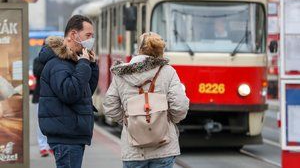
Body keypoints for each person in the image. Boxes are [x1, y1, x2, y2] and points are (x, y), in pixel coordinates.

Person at [104, 32, 189, 168]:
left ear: (139, 49)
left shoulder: (122, 74)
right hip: (163, 149)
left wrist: (127, 121)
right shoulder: (168, 72)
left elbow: (109, 105)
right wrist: (167, 120)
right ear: (160, 50)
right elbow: (180, 106)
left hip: (133, 150)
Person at [38, 15, 99, 168]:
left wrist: (91, 65)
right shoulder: (58, 64)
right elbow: (70, 94)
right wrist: (84, 64)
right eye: (88, 35)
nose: (91, 40)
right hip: (66, 135)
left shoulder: (72, 61)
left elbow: (85, 91)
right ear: (73, 35)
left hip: (71, 133)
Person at [32, 55, 51, 157]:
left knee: (53, 121)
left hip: (53, 95)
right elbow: (36, 72)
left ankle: (50, 145)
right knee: (41, 122)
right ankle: (43, 146)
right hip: (40, 95)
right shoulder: (38, 59)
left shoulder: (58, 58)